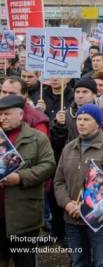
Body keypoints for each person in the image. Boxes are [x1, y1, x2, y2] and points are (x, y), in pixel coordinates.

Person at [54, 104, 103, 267]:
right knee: (77, 261)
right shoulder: (68, 148)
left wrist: (86, 208)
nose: (81, 123)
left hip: (99, 218)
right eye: (79, 119)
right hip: (72, 217)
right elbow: (59, 181)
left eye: (87, 119)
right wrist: (67, 203)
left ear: (98, 123)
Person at [0, 94, 55, 267]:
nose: (2, 118)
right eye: (0, 114)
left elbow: (48, 166)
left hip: (24, 216)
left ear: (21, 115)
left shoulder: (37, 138)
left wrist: (20, 177)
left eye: (7, 114)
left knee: (24, 261)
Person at [50, 76, 103, 153]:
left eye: (85, 92)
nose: (80, 95)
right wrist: (59, 126)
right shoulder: (64, 116)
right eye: (77, 92)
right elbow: (55, 146)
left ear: (94, 95)